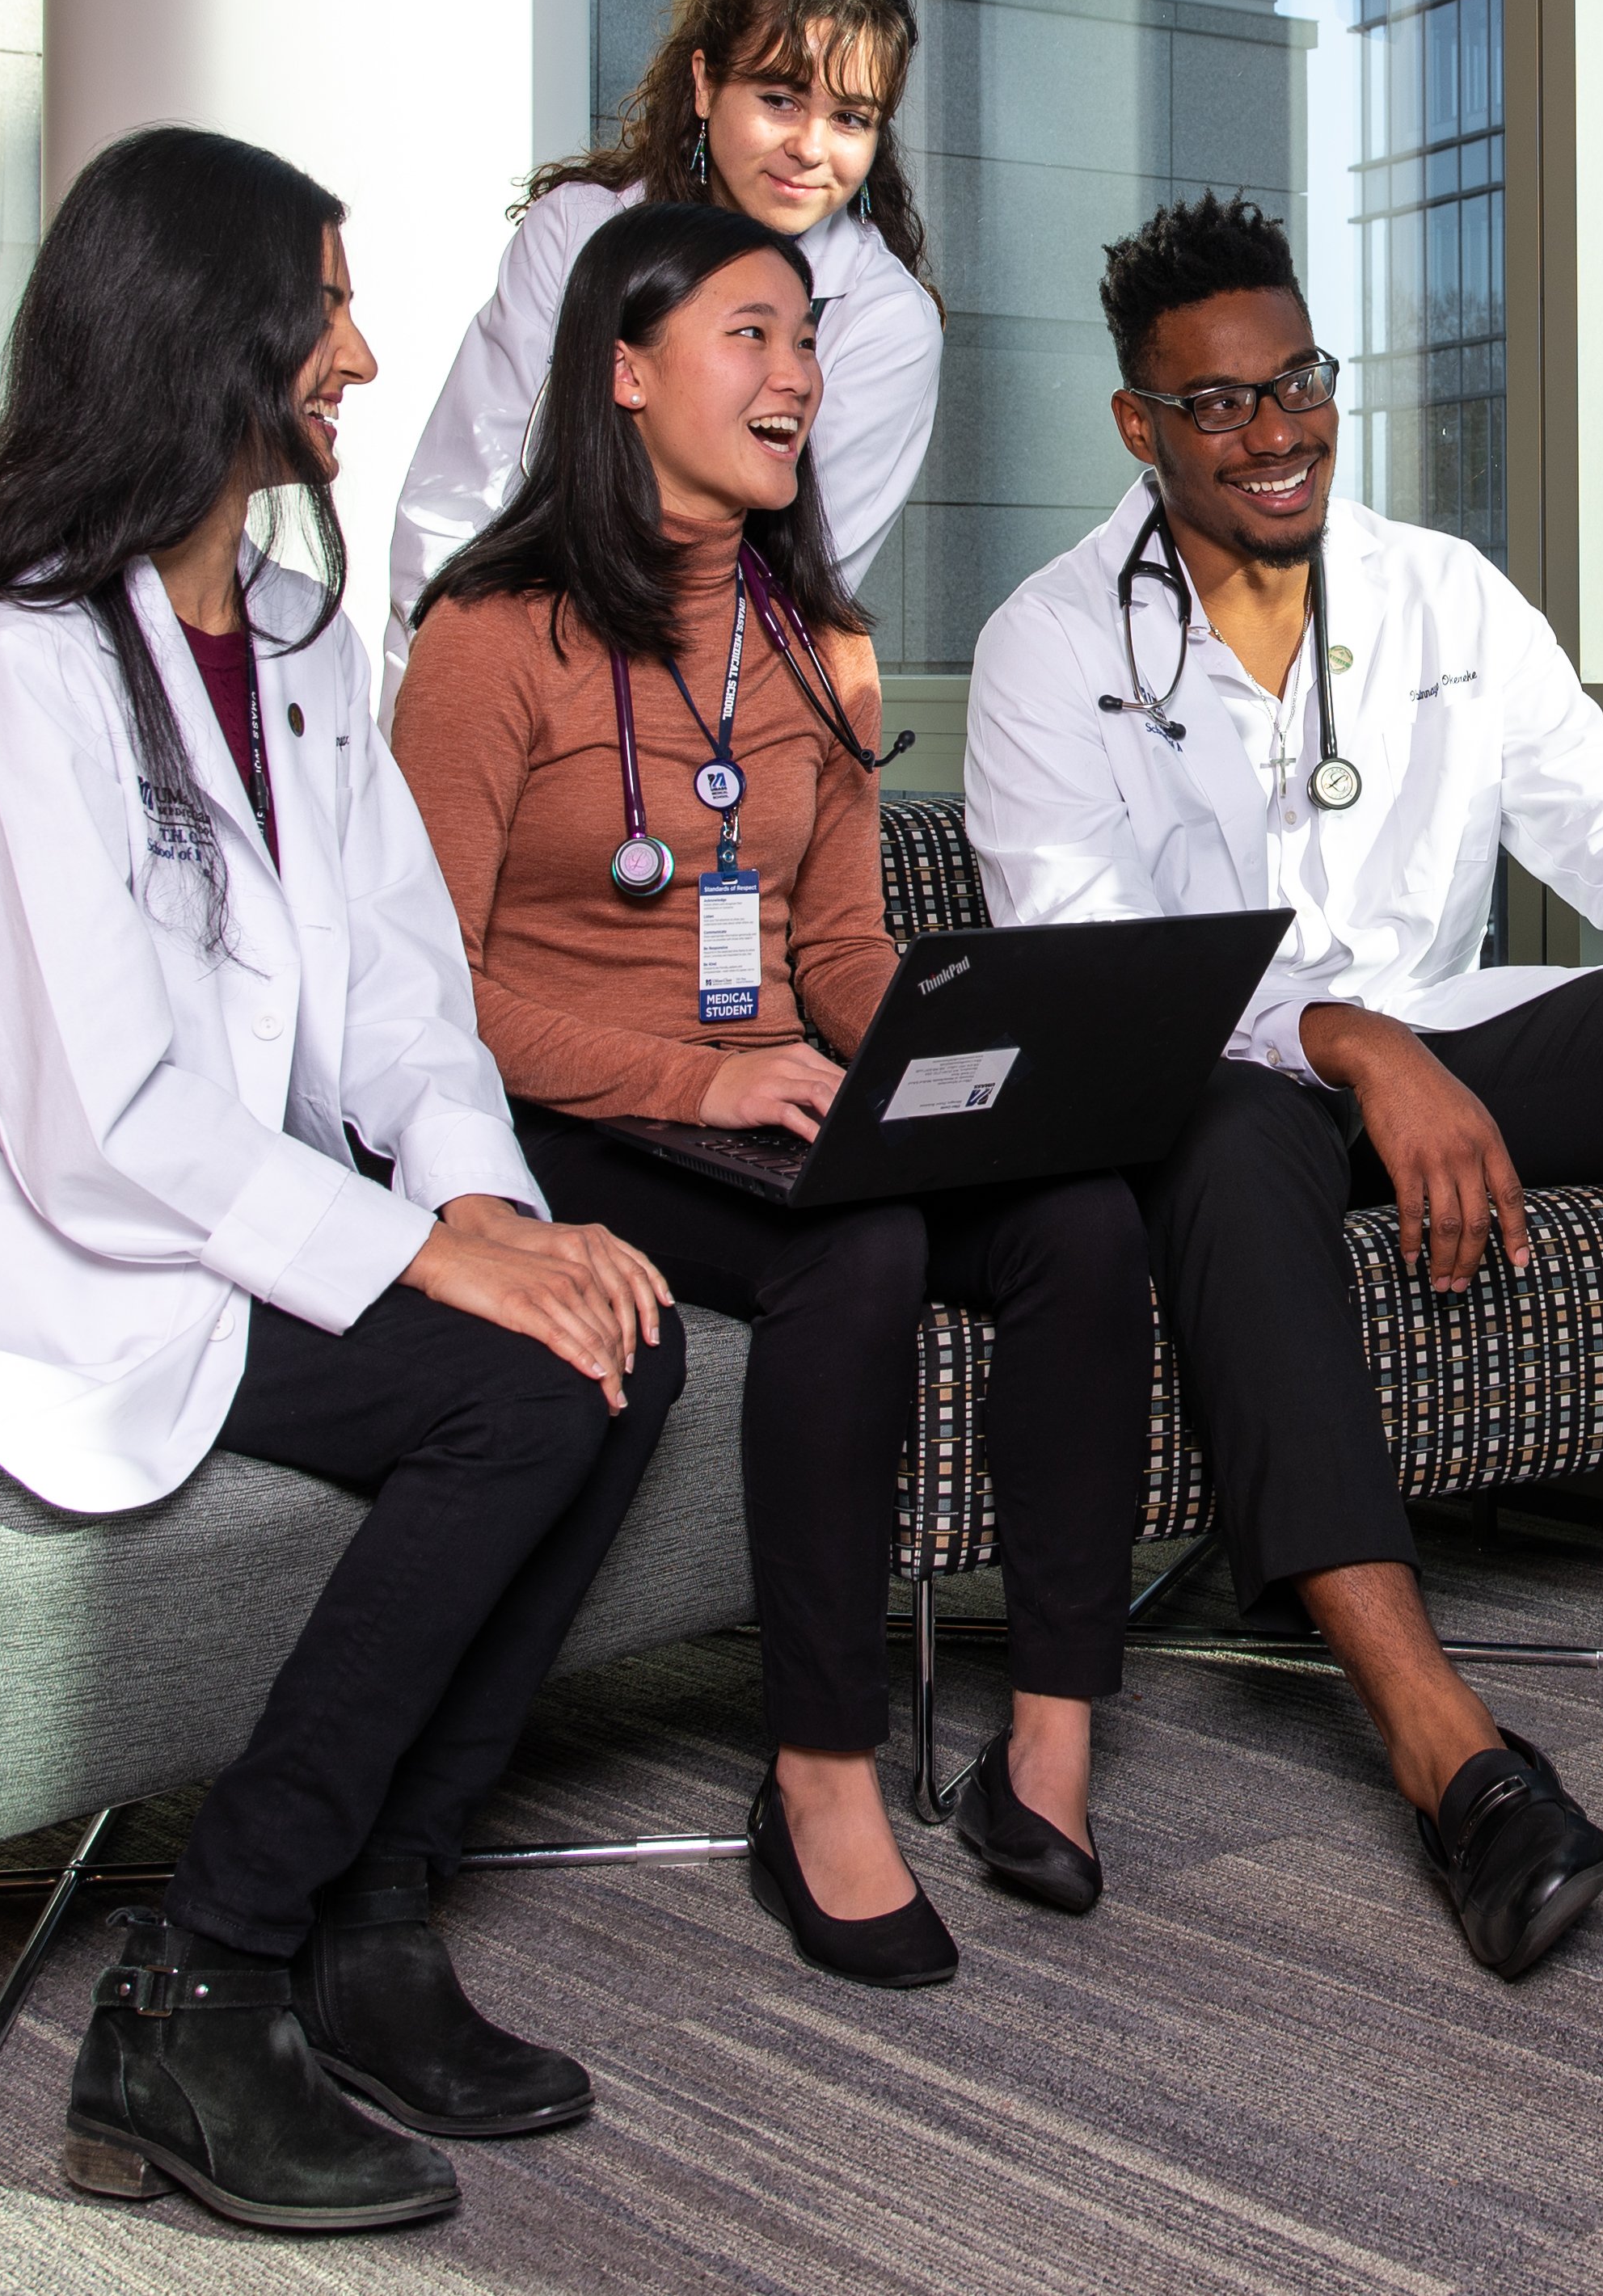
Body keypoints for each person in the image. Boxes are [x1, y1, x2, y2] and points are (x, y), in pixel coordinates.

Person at [0, 126, 684, 2236]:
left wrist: (481, 1210)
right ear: (213, 332)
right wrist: (422, 1267)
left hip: (221, 1216)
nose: (359, 354)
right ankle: (202, 1980)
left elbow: (401, 991)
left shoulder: (293, 642)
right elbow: (97, 1117)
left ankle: (374, 1923)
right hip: (49, 1246)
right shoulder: (24, 666)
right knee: (518, 1389)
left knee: (616, 1339)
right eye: (328, 308)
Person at [956, 194, 1603, 1985]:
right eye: (1220, 403)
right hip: (1225, 1089)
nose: (1275, 432)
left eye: (1300, 384)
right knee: (1226, 1147)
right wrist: (1354, 1043)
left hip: (1446, 1036)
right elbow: (1093, 966)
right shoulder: (1048, 644)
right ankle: (1449, 1753)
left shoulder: (1441, 592)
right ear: (1139, 423)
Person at [394, 199, 1153, 1992]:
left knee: (1078, 1215)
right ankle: (817, 1769)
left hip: (764, 1104)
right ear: (625, 370)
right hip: (562, 1119)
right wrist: (705, 1076)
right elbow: (419, 991)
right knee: (854, 1248)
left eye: (807, 339)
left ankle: (1049, 1737)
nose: (798, 372)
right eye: (750, 333)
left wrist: (957, 1067)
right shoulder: (491, 633)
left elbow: (843, 950)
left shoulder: (812, 640)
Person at [390, 0, 941, 714]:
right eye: (779, 99)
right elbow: (457, 501)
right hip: (498, 683)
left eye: (850, 118)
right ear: (705, 83)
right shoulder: (576, 230)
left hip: (700, 711)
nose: (811, 148)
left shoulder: (885, 321)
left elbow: (792, 577)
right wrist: (439, 705)